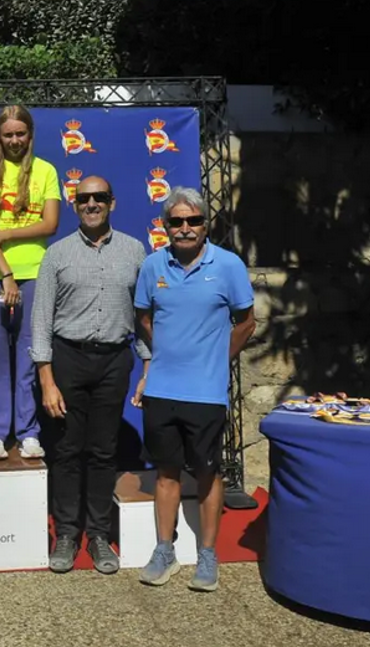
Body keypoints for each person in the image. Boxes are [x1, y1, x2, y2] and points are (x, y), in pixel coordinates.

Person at [132, 186, 254, 593]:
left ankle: (207, 554)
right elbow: (144, 317)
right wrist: (164, 356)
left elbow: (246, 322)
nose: (185, 228)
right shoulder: (153, 266)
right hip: (162, 390)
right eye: (177, 221)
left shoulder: (230, 265)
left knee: (206, 471)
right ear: (166, 226)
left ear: (205, 224)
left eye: (193, 221)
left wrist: (217, 359)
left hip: (206, 392)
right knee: (166, 472)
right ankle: (164, 549)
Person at [32, 176, 149, 575]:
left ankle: (99, 534)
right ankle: (67, 533)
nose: (92, 204)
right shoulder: (57, 254)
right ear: (74, 204)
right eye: (84, 199)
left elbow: (144, 315)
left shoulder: (136, 250)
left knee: (103, 451)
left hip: (115, 360)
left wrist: (147, 365)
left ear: (112, 203)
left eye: (99, 198)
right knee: (66, 450)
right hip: (68, 359)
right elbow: (41, 319)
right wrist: (46, 379)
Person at [0, 106, 60, 461]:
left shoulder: (46, 171)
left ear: (30, 135)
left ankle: (28, 432)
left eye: (20, 134)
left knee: (29, 352)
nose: (15, 140)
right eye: (8, 135)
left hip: (36, 270)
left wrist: (8, 232)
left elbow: (49, 224)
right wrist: (6, 275)